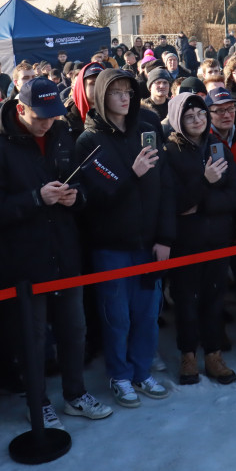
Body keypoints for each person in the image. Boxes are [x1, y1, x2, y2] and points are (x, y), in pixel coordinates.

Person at [0, 77, 114, 427]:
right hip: (23, 261)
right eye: (40, 117)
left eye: (52, 115)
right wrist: (36, 198)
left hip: (64, 253)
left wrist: (75, 196)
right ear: (20, 109)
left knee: (73, 329)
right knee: (32, 339)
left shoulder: (61, 135)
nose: (47, 123)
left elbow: (80, 184)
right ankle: (37, 402)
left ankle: (75, 393)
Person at [74, 69, 176, 408]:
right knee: (117, 316)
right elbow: (97, 195)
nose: (123, 97)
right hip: (111, 247)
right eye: (115, 91)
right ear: (100, 96)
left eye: (128, 91)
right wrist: (132, 175)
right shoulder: (88, 141)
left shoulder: (147, 131)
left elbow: (164, 189)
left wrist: (164, 236)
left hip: (149, 244)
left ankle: (141, 370)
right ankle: (119, 375)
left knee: (147, 313)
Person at [164, 92, 236, 385]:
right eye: (189, 116)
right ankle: (187, 354)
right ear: (177, 120)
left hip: (218, 237)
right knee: (186, 299)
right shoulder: (169, 152)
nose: (197, 120)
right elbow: (173, 201)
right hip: (186, 241)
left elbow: (235, 193)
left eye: (200, 114)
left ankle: (213, 353)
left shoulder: (217, 146)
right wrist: (204, 181)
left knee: (214, 297)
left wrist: (205, 203)